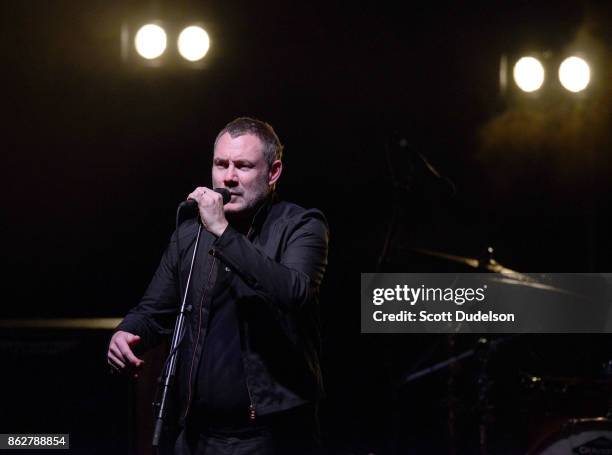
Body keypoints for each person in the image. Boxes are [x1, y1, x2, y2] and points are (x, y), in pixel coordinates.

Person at [107, 117, 329, 454]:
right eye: (220, 164)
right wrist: (127, 331)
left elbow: (294, 291)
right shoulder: (191, 233)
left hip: (270, 437)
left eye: (243, 166)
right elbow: (154, 310)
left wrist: (223, 233)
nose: (228, 177)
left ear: (273, 172)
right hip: (196, 434)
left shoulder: (300, 225)